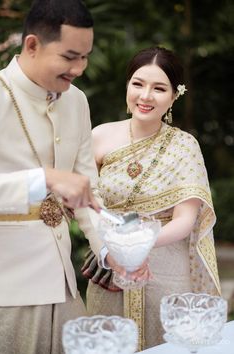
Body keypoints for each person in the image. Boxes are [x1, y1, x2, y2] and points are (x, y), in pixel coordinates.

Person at [85, 46, 221, 350]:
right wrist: (115, 249)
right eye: (138, 84)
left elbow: (185, 220)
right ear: (127, 87)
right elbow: (85, 205)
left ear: (174, 95)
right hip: (110, 267)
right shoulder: (99, 137)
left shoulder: (184, 146)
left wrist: (136, 243)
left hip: (165, 269)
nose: (145, 96)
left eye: (159, 88)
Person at [0, 0, 103, 353]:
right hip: (7, 289)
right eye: (70, 56)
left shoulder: (77, 102)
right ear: (32, 45)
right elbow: (58, 180)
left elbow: (88, 186)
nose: (79, 69)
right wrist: (44, 178)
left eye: (85, 57)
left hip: (65, 284)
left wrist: (110, 251)